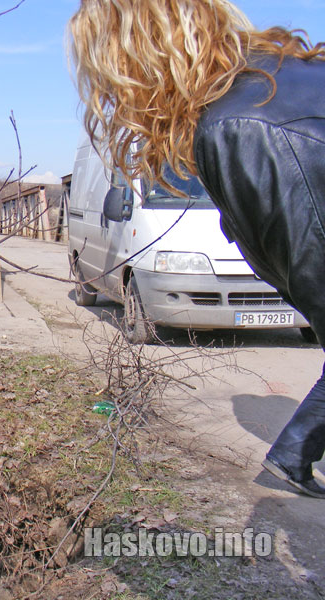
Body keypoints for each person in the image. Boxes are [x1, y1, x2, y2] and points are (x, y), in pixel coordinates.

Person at [68, 0, 325, 498]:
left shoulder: (237, 127)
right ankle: (291, 455)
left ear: (133, 61)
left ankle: (291, 454)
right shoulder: (281, 80)